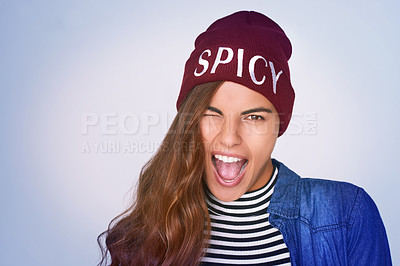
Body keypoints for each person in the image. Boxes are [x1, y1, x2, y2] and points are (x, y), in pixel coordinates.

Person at [98, 11, 392, 265]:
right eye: (211, 113)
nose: (229, 138)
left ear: (279, 123)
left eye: (253, 117)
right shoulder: (147, 229)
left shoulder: (345, 216)